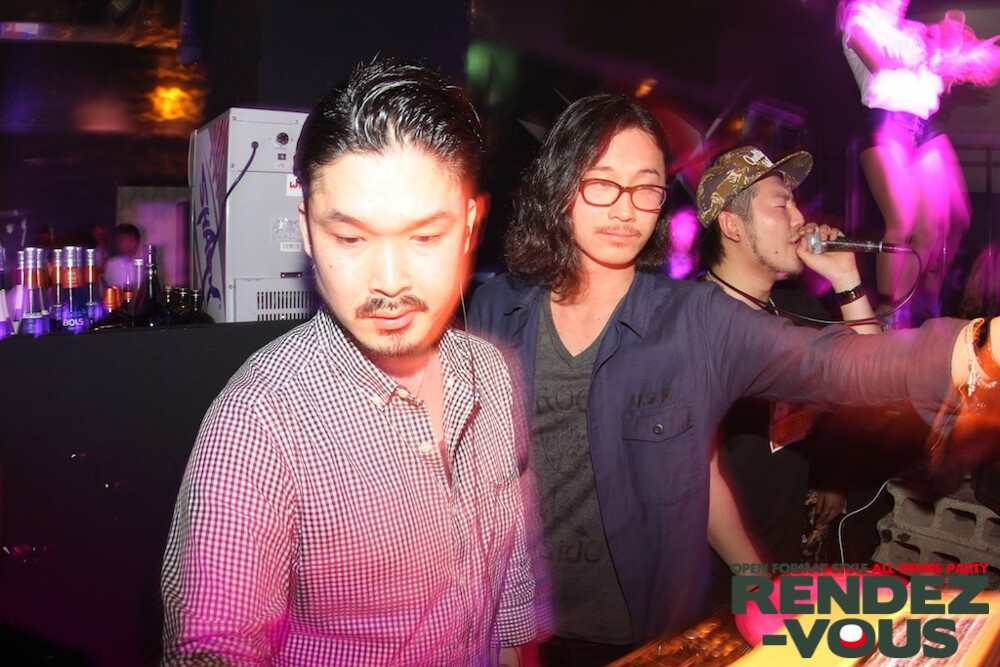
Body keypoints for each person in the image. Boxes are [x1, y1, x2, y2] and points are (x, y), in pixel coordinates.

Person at [467, 92, 1000, 660]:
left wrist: (978, 348)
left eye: (647, 188)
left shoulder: (696, 319)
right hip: (516, 627)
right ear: (559, 186)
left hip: (646, 634)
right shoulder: (495, 309)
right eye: (602, 184)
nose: (626, 209)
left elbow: (839, 364)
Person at [161, 59, 538, 666]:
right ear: (307, 231)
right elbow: (213, 645)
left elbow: (510, 579)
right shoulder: (258, 423)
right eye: (351, 238)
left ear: (470, 226)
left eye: (425, 237)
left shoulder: (490, 371)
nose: (389, 281)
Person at [695, 146, 879, 609]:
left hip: (781, 551)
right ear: (733, 225)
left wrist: (845, 278)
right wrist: (756, 581)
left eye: (795, 203)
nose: (800, 218)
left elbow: (876, 383)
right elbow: (699, 476)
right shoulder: (695, 323)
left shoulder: (796, 307)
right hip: (717, 579)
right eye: (781, 205)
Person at [839, 0, 1000, 327]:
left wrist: (969, 61)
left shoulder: (913, 29)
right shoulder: (858, 18)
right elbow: (880, 62)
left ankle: (913, 306)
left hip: (924, 125)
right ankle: (887, 313)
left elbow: (945, 70)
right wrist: (940, 57)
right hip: (888, 122)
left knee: (936, 225)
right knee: (902, 221)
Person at [103, 222, 141, 288]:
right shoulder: (108, 265)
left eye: (121, 239)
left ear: (133, 242)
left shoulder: (141, 267)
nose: (118, 243)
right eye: (116, 239)